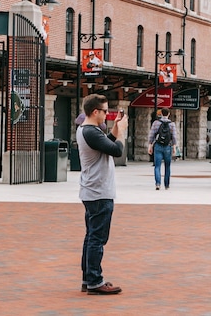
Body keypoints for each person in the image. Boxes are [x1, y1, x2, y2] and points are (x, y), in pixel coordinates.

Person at [77, 93, 126, 295]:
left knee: (91, 237)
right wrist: (122, 132)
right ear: (95, 112)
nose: (107, 114)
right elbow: (116, 150)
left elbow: (106, 143)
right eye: (105, 111)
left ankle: (88, 279)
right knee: (97, 238)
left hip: (92, 191)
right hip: (99, 192)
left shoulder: (87, 130)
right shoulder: (91, 131)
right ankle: (95, 282)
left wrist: (115, 128)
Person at [148, 108, 178, 190]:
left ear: (161, 113)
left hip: (158, 146)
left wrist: (150, 145)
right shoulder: (172, 124)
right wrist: (174, 147)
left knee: (157, 166)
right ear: (168, 114)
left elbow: (151, 135)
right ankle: (167, 184)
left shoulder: (156, 123)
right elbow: (174, 137)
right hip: (168, 146)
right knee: (167, 166)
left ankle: (158, 183)